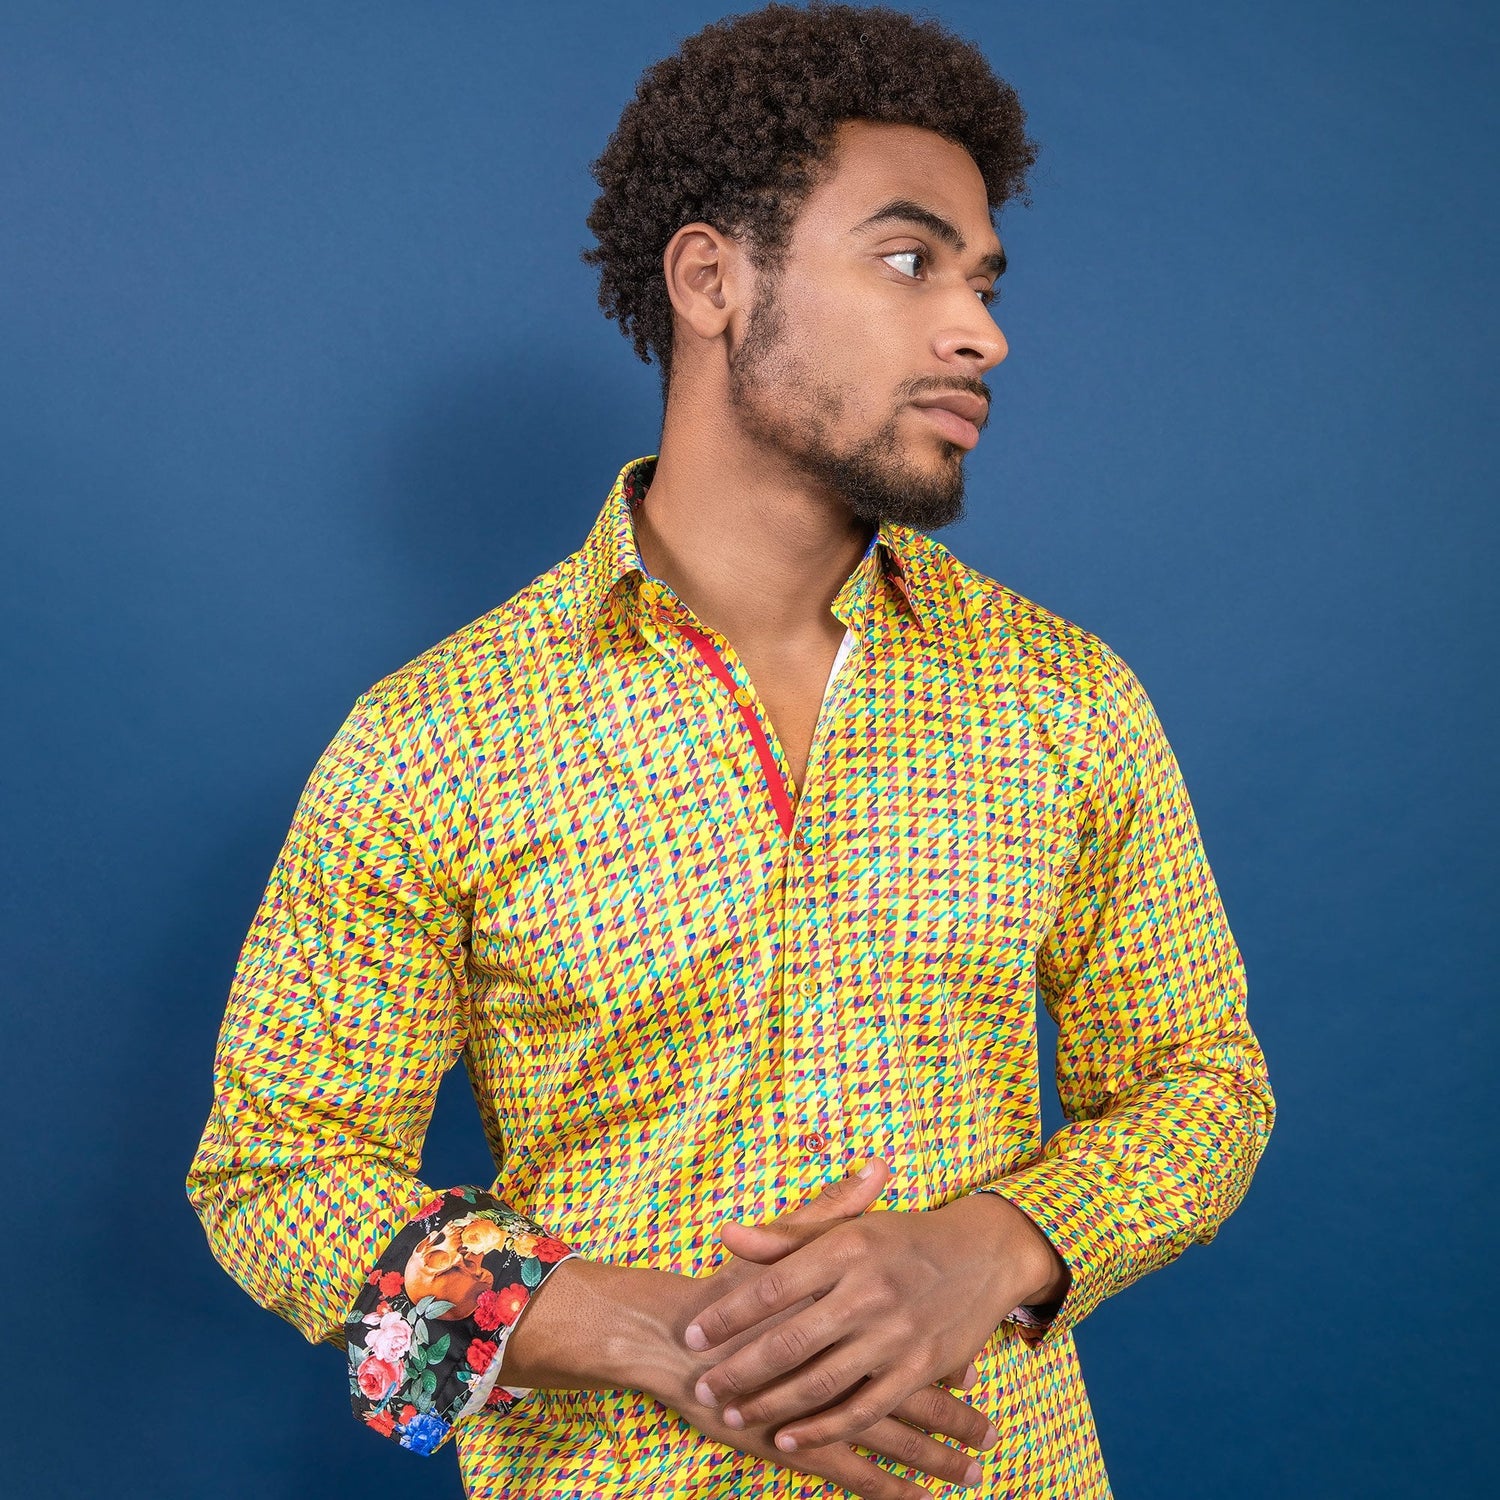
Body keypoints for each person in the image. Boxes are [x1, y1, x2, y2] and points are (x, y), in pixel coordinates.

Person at [186, 4, 1276, 1496]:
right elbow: (271, 1176)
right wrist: (652, 1331)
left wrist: (991, 1253)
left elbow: (1206, 1085)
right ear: (711, 278)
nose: (982, 331)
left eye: (982, 280)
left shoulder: (1065, 699)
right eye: (908, 262)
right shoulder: (432, 735)